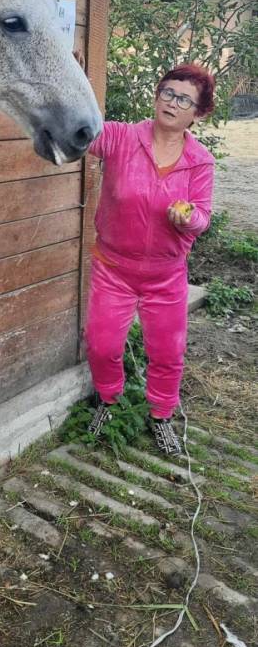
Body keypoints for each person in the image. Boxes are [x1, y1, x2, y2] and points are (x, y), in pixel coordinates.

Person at [85, 63, 215, 456]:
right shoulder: (121, 137)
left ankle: (161, 415)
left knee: (168, 353)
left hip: (166, 276)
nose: (172, 103)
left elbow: (203, 216)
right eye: (168, 93)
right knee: (101, 345)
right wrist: (73, 83)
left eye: (184, 100)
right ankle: (109, 401)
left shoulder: (200, 160)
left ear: (198, 113)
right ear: (157, 96)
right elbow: (83, 130)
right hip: (114, 269)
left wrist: (188, 219)